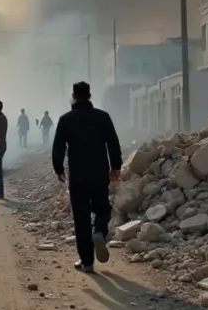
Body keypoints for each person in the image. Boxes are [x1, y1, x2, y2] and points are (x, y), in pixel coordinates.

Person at [52, 81, 123, 274]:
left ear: (73, 97)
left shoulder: (66, 119)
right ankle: (99, 231)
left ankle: (87, 262)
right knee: (102, 208)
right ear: (90, 96)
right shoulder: (102, 117)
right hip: (100, 173)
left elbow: (59, 147)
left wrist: (58, 168)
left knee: (81, 217)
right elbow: (113, 143)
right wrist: (116, 167)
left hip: (78, 176)